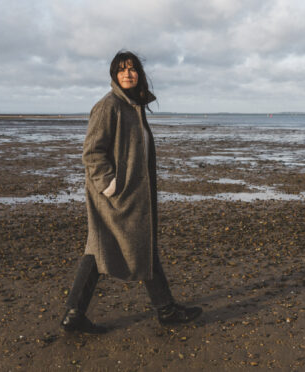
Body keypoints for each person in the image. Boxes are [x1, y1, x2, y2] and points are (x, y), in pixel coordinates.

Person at [60, 51, 202, 333]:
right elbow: (92, 152)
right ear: (114, 75)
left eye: (133, 69)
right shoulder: (109, 105)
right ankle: (166, 310)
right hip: (116, 198)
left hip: (134, 196)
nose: (128, 74)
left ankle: (75, 315)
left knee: (105, 250)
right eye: (122, 70)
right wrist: (110, 186)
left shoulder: (133, 106)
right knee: (112, 249)